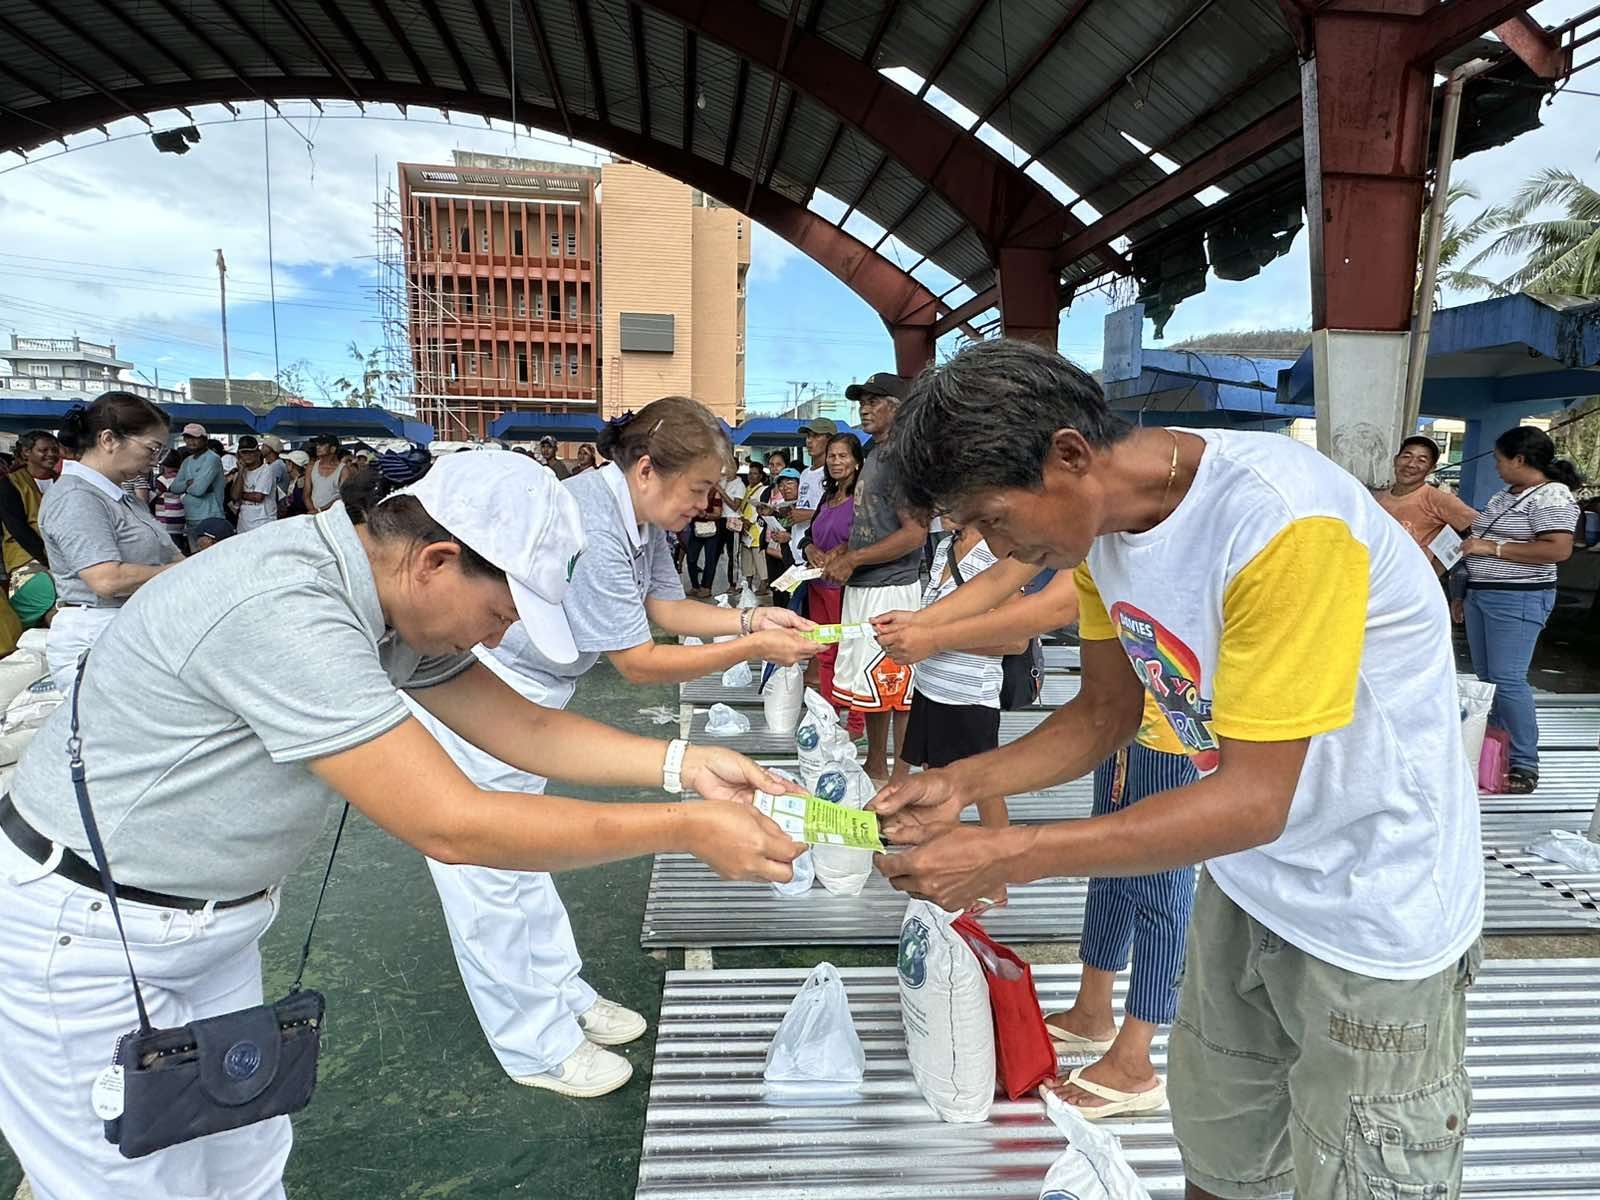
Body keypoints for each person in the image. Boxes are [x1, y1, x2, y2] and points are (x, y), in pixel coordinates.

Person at [0, 448, 802, 1198]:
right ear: (436, 561)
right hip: (91, 934)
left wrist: (679, 766)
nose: (500, 636)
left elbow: (522, 728)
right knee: (127, 1180)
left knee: (246, 1159)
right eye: (500, 612)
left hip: (207, 923)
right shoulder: (289, 610)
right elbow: (456, 826)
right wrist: (687, 828)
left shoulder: (385, 600)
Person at [871, 340, 1482, 1199]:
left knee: (1362, 1176)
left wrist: (1008, 854)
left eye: (998, 518)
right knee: (1223, 1166)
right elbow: (1102, 716)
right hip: (1248, 890)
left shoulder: (1279, 525)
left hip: (1374, 911)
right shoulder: (1102, 535)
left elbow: (1253, 799)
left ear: (1070, 455)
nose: (1004, 548)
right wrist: (966, 784)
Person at [407, 397, 818, 1101]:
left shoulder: (640, 517)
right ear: (648, 470)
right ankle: (533, 1043)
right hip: (490, 682)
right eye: (697, 490)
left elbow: (663, 609)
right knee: (488, 874)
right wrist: (750, 644)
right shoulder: (592, 520)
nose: (704, 503)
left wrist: (749, 616)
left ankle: (562, 993)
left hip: (539, 693)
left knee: (527, 855)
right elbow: (636, 660)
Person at [875, 556, 1197, 1117]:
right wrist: (924, 628)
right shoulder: (1100, 536)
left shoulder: (1148, 525)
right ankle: (1093, 1009)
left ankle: (1137, 1056)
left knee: (1159, 877)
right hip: (1131, 711)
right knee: (1112, 863)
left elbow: (1042, 608)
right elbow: (1008, 581)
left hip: (1176, 722)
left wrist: (932, 633)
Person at [888, 524, 1023, 908]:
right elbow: (931, 617)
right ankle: (947, 866)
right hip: (930, 687)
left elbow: (1015, 639)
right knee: (936, 782)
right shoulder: (946, 545)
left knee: (985, 790)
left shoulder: (1001, 552)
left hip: (969, 695)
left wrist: (937, 640)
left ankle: (997, 883)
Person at [1459, 426, 1581, 794]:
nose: (1496, 466)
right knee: (1488, 679)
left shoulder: (1552, 496)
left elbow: (1558, 549)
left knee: (1507, 678)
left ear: (1520, 460)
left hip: (1518, 597)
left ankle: (1526, 762)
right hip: (1482, 594)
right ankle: (1494, 751)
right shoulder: (1507, 493)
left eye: (1499, 459)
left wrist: (1492, 550)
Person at [38, 393, 182, 692]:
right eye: (151, 449)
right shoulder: (77, 497)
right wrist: (190, 569)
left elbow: (169, 556)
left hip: (128, 628)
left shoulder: (122, 498)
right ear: (108, 440)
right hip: (97, 635)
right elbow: (106, 579)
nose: (154, 462)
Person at [826, 373, 928, 783]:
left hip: (892, 589)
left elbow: (914, 532)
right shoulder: (873, 454)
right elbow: (873, 521)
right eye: (862, 401)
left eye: (875, 400)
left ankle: (900, 771)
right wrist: (843, 551)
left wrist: (856, 558)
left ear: (898, 407)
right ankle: (875, 761)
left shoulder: (904, 458)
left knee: (897, 687)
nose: (864, 408)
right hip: (866, 584)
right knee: (870, 690)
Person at [803, 433, 863, 715]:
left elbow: (868, 537)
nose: (836, 462)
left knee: (850, 652)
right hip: (818, 587)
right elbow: (807, 536)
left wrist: (841, 550)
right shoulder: (827, 498)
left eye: (842, 456)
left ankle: (856, 720)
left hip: (846, 589)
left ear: (857, 461)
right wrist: (811, 549)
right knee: (825, 649)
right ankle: (829, 712)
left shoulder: (862, 499)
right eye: (831, 456)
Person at [1374, 435, 1478, 572]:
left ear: (1431, 468)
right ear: (1395, 460)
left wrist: (1439, 567)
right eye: (1406, 456)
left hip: (1413, 581)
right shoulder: (1376, 499)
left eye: (1421, 460)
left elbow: (1479, 528)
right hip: (1375, 576)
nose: (1411, 464)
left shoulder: (1437, 498)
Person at [0, 430, 61, 627]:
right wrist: (48, 558)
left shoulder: (64, 482)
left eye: (54, 449)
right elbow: (18, 530)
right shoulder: (9, 484)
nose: (51, 454)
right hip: (25, 555)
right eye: (43, 450)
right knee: (46, 585)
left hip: (63, 551)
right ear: (26, 453)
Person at [166, 422, 227, 546]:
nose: (190, 441)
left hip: (210, 517)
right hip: (190, 517)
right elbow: (173, 488)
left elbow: (198, 490)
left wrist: (187, 487)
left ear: (204, 439)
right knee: (195, 559)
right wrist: (189, 483)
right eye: (187, 438)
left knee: (210, 559)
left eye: (195, 437)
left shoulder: (212, 458)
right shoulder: (187, 461)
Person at [230, 435, 280, 534]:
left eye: (251, 452)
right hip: (243, 524)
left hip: (263, 523)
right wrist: (240, 472)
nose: (248, 455)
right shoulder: (239, 473)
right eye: (244, 452)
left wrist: (240, 494)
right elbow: (234, 496)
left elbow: (258, 497)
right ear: (239, 455)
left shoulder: (266, 470)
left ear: (257, 453)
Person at [152, 446, 190, 553]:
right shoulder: (182, 477)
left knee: (169, 550)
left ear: (164, 465)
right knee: (179, 546)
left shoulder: (161, 479)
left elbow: (154, 495)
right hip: (180, 518)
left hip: (165, 520)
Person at [684, 498, 723, 598]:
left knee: (710, 559)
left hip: (711, 529)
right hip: (696, 527)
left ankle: (707, 587)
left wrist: (706, 515)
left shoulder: (714, 492)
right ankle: (695, 586)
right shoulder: (692, 491)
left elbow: (718, 514)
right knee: (691, 559)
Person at [304, 435, 349, 516]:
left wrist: (320, 511)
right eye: (317, 444)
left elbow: (342, 497)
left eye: (322, 445)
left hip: (334, 515)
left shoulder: (343, 470)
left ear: (333, 449)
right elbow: (306, 494)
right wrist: (313, 511)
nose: (317, 447)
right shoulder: (311, 467)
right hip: (314, 514)